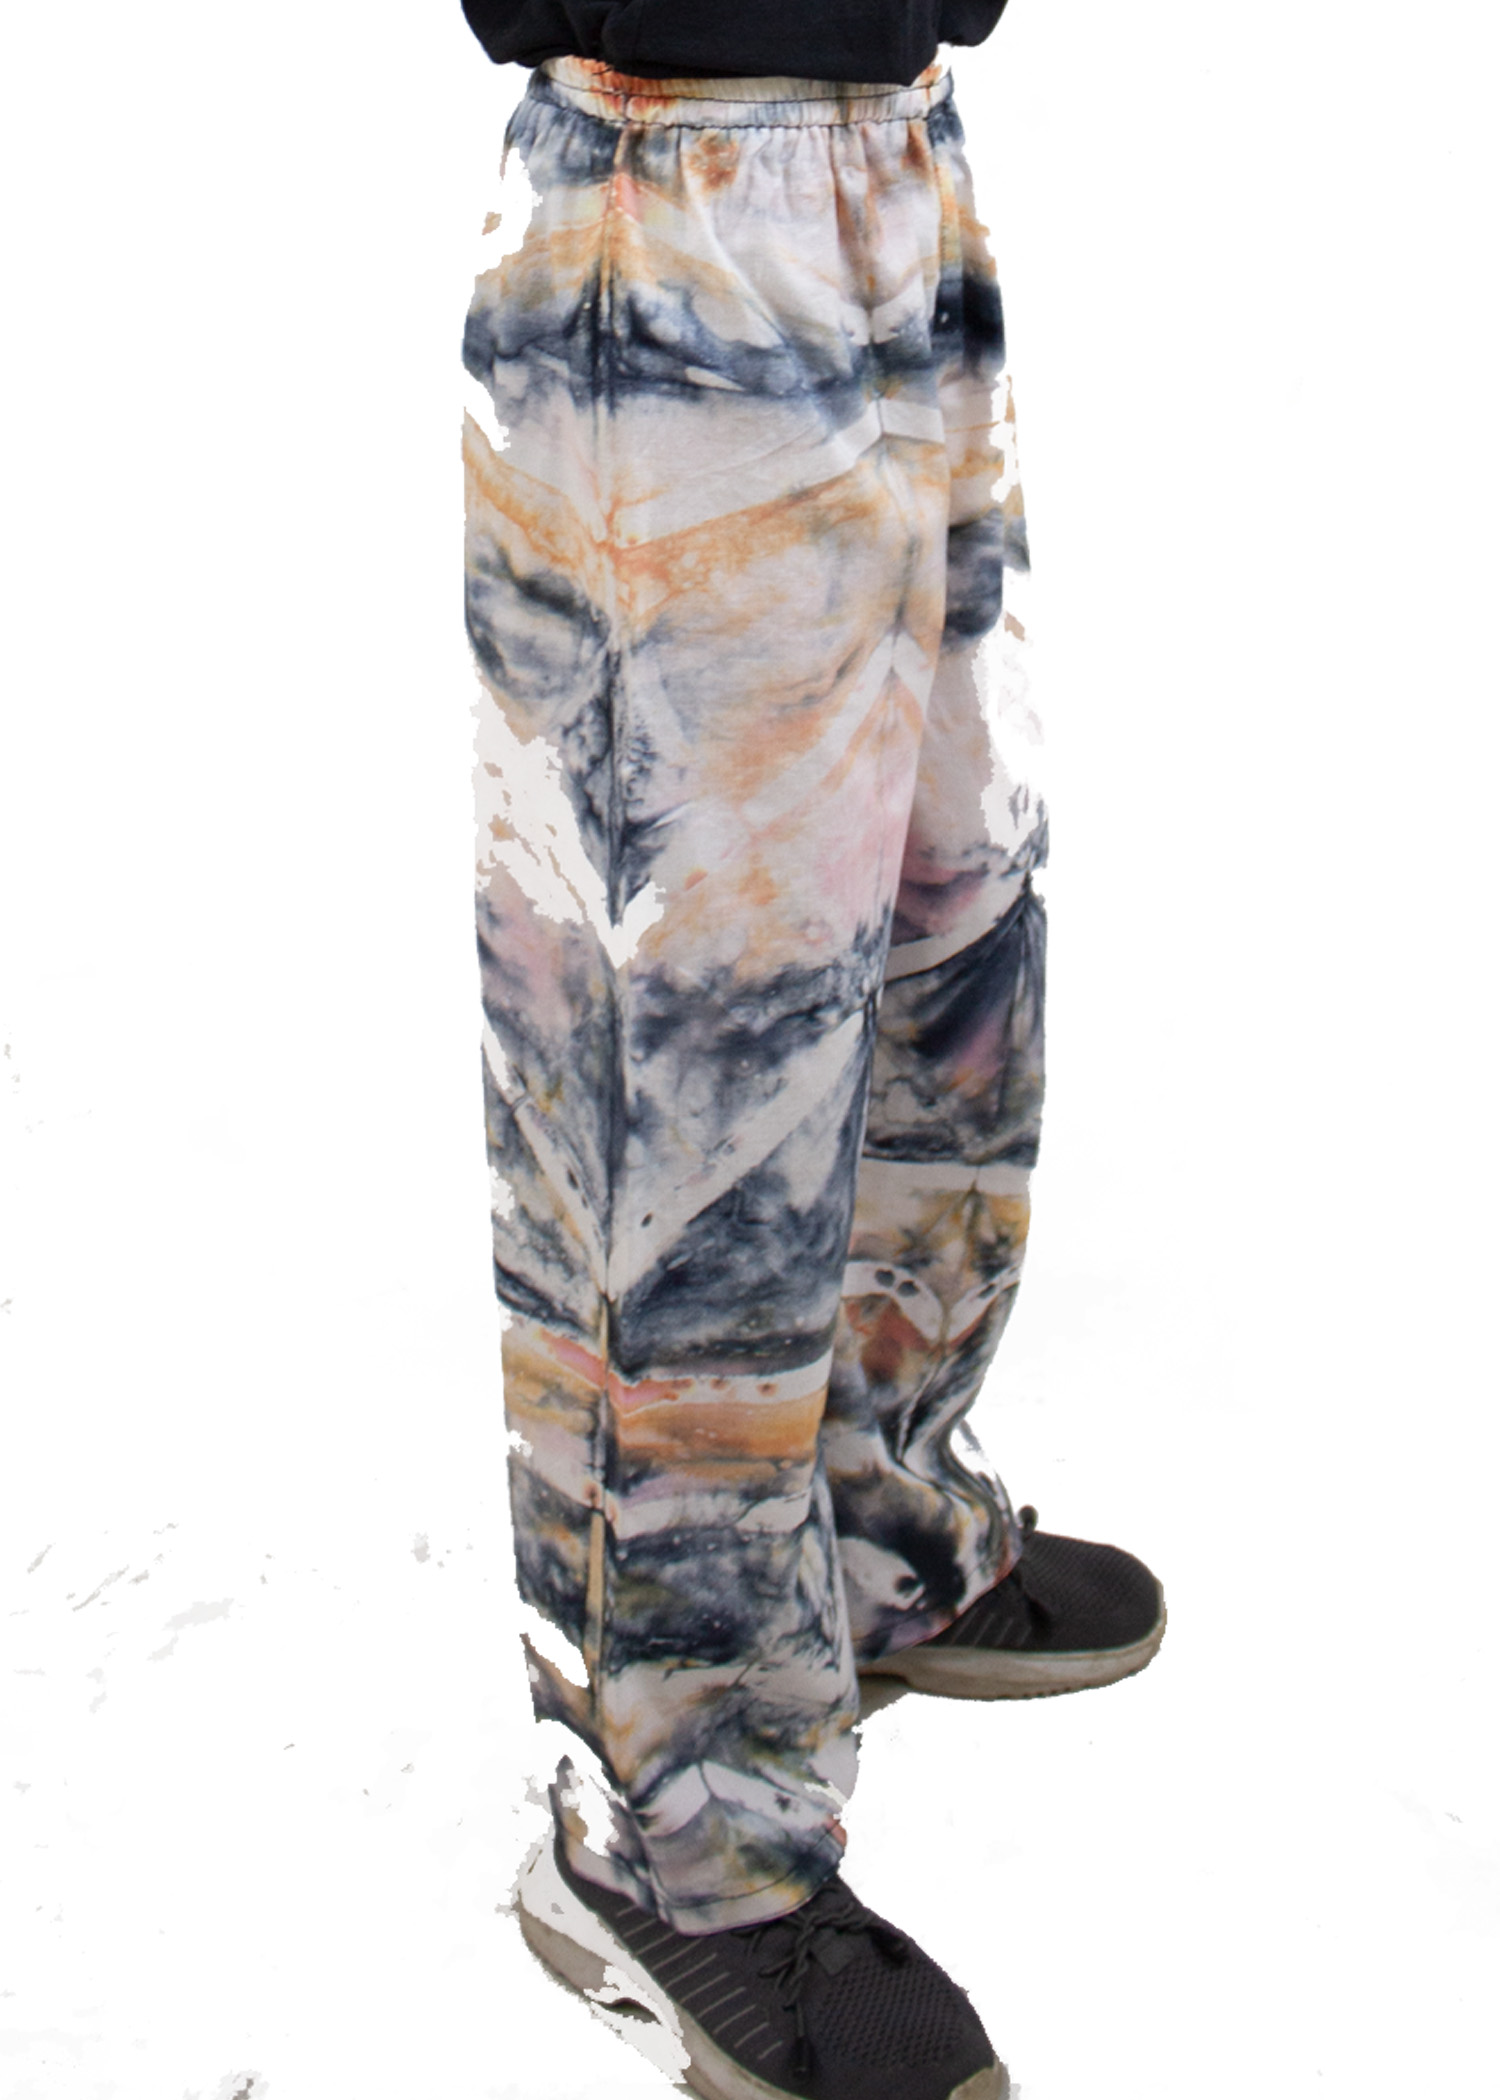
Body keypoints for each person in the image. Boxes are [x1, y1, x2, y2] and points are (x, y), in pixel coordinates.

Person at [459, 1, 1166, 2091]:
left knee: (945, 930)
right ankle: (666, 1837)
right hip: (669, 182)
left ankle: (868, 1529)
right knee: (689, 1077)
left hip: (894, 151)